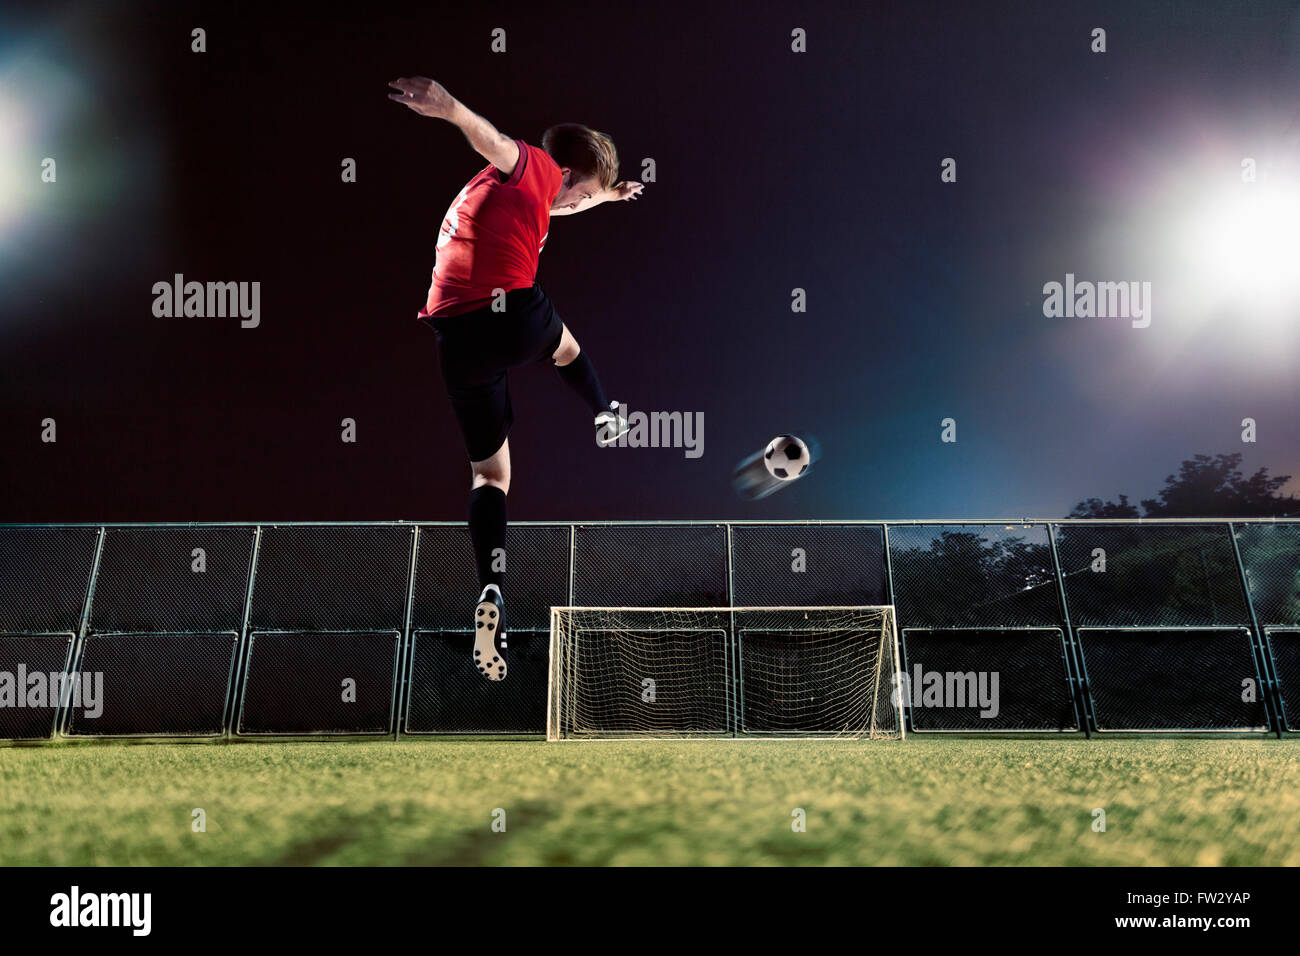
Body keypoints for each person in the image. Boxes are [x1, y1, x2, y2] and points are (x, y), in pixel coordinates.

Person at [389, 76, 641, 681]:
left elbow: (556, 197)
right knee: (567, 349)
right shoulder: (531, 164)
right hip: (509, 314)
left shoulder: (522, 191)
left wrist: (605, 197)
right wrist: (449, 108)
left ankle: (492, 588)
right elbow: (495, 141)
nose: (575, 207)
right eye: (585, 197)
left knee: (490, 473)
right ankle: (606, 412)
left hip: (454, 336)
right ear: (572, 175)